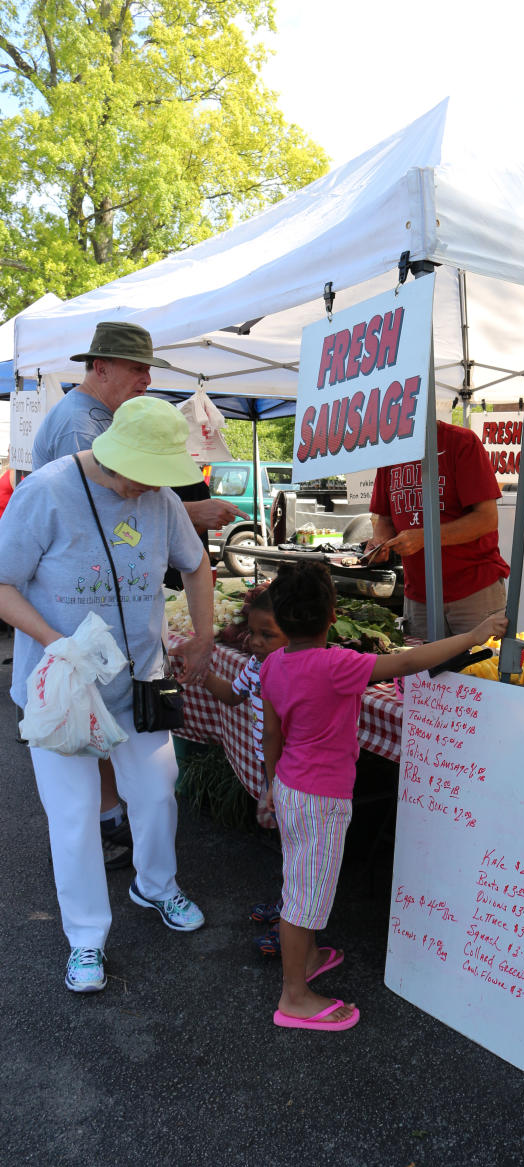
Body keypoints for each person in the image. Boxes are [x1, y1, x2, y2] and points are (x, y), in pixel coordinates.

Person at [0, 395, 215, 994]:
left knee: (156, 794)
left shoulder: (161, 498)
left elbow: (196, 566)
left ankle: (156, 886)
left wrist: (203, 635)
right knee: (72, 818)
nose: (144, 490)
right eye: (139, 477)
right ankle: (87, 940)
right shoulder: (43, 493)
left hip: (139, 683)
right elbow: (2, 584)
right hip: (61, 692)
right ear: (113, 454)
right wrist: (55, 641)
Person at [31, 320, 246, 868]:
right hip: (79, 658)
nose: (147, 378)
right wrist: (190, 513)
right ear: (100, 367)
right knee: (77, 793)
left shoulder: (97, 418)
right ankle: (104, 847)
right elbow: (110, 512)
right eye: (136, 368)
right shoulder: (81, 430)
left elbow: (145, 514)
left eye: (149, 369)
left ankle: (143, 865)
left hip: (116, 659)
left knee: (143, 781)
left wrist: (176, 517)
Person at [260, 559, 508, 1031]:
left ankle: (307, 958)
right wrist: (476, 634)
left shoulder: (273, 663)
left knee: (301, 876)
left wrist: (271, 784)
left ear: (281, 618)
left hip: (291, 786)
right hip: (321, 799)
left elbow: (272, 732)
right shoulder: (337, 665)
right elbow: (411, 661)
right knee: (303, 896)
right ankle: (294, 996)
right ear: (332, 613)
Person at [201, 585, 287, 955]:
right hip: (273, 772)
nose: (254, 642)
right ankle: (288, 907)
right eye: (253, 633)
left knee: (298, 851)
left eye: (268, 634)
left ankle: (292, 926)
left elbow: (278, 732)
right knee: (288, 846)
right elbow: (233, 695)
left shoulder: (294, 671)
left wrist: (275, 782)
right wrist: (201, 674)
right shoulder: (255, 665)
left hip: (292, 775)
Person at [366, 419, 510, 640]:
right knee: (424, 674)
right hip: (419, 597)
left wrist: (427, 537)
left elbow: (487, 519)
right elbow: (384, 519)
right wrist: (380, 543)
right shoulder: (391, 451)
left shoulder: (461, 441)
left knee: (481, 670)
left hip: (473, 592)